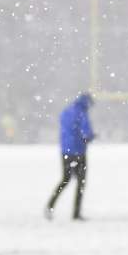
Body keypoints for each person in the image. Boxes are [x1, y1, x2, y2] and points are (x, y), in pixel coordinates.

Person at [45, 93, 95, 221]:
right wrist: (90, 137)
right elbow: (86, 132)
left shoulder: (66, 112)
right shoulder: (82, 114)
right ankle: (76, 213)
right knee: (81, 182)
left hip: (65, 151)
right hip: (79, 152)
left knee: (65, 179)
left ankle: (50, 205)